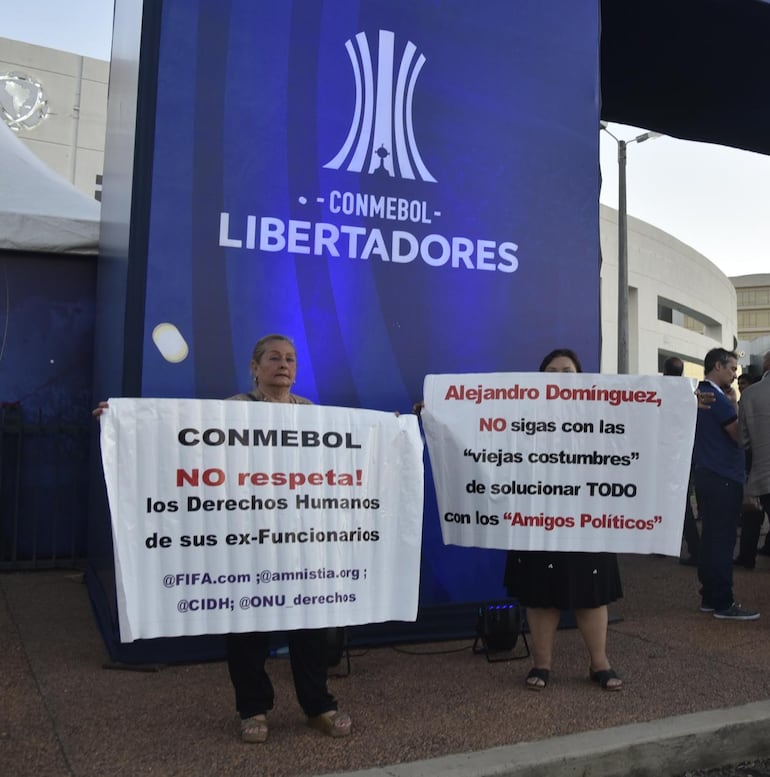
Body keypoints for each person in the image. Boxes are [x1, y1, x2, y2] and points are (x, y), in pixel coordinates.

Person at [95, 334, 352, 743]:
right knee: (248, 625)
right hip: (246, 541)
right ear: (254, 367)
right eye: (273, 358)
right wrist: (126, 421)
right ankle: (253, 710)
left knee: (308, 623)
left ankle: (318, 705)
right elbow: (182, 435)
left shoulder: (311, 414)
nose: (283, 365)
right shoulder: (233, 410)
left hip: (299, 540)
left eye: (290, 359)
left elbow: (346, 453)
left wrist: (397, 429)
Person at [503, 348, 624, 692]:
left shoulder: (600, 411)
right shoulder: (518, 412)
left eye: (567, 371)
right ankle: (541, 664)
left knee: (591, 592)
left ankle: (599, 663)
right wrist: (437, 408)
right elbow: (477, 431)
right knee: (540, 593)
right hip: (536, 516)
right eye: (551, 370)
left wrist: (685, 404)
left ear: (579, 377)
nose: (559, 376)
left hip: (587, 517)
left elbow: (644, 429)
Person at [692, 347, 759, 620]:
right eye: (732, 369)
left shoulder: (703, 394)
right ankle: (723, 601)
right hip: (724, 476)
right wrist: (735, 407)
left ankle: (710, 596)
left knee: (711, 538)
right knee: (722, 540)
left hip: (708, 473)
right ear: (717, 366)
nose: (735, 375)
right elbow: (738, 436)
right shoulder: (714, 397)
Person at [662, 356, 700, 567]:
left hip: (662, 453)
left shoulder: (659, 389)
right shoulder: (689, 392)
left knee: (665, 502)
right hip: (685, 453)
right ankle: (692, 547)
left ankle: (666, 544)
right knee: (681, 502)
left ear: (665, 371)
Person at [738, 353, 770, 565]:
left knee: (751, 515)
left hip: (760, 471)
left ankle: (746, 558)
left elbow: (743, 439)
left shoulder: (749, 394)